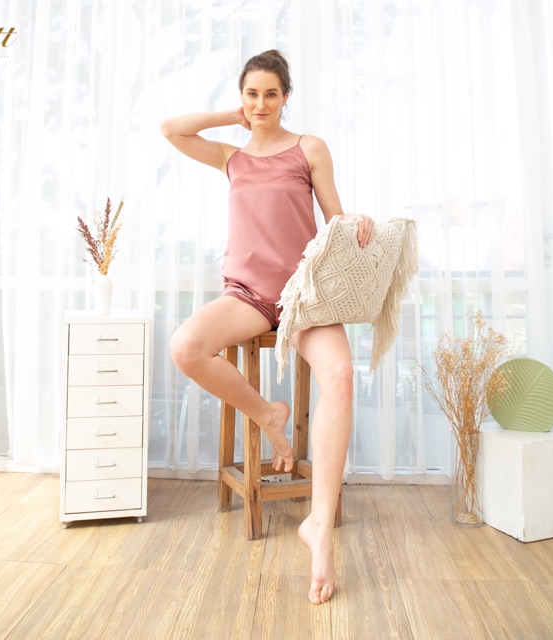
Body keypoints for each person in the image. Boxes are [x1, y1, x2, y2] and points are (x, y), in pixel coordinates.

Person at [160, 49, 375, 605]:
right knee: (185, 347)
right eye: (251, 94)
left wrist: (357, 221)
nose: (260, 104)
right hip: (248, 295)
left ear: (286, 97)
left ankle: (319, 526)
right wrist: (229, 117)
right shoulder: (231, 158)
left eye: (270, 94)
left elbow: (335, 218)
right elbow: (172, 129)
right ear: (243, 97)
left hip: (304, 293)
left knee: (341, 376)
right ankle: (267, 414)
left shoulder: (309, 148)